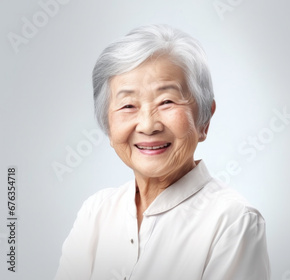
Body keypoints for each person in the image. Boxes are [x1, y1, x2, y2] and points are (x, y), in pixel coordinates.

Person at [55, 24, 270, 280]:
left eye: (166, 101)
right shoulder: (97, 212)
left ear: (204, 119)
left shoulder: (233, 221)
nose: (148, 125)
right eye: (128, 105)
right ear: (109, 126)